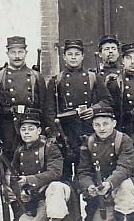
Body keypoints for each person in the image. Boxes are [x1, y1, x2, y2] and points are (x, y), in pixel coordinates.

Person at [0, 35, 47, 221]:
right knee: (10, 172)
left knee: (33, 167)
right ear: (7, 53)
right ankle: (16, 211)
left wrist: (46, 131)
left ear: (25, 53)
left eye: (20, 52)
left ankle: (34, 209)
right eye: (13, 52)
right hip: (8, 132)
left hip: (31, 128)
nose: (17, 56)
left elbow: (45, 106)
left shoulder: (35, 76)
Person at [75, 106, 134, 221]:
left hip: (119, 184)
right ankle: (111, 215)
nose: (101, 128)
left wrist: (110, 183)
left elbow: (125, 167)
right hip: (101, 191)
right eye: (97, 125)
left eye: (105, 124)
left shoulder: (124, 140)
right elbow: (83, 172)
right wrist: (89, 186)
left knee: (126, 184)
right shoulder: (88, 142)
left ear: (114, 123)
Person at [9, 109, 73, 221]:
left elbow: (55, 173)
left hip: (54, 195)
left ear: (39, 131)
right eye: (23, 129)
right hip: (35, 200)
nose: (26, 132)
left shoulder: (50, 148)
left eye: (31, 129)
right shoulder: (19, 152)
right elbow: (13, 179)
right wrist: (21, 195)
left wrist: (29, 179)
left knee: (55, 187)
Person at [44, 38, 104, 181]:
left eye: (77, 54)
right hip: (65, 132)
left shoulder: (93, 77)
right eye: (70, 54)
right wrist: (56, 132)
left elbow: (106, 100)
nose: (73, 57)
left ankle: (91, 203)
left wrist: (94, 110)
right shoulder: (56, 80)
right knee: (64, 175)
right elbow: (49, 110)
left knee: (87, 173)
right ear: (64, 57)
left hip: (86, 130)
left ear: (82, 56)